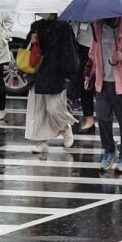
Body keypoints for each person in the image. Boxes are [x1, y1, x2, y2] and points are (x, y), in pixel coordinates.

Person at [86, 17, 122, 174]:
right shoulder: (97, 27)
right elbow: (93, 55)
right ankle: (109, 151)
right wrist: (88, 75)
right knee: (103, 119)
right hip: (102, 82)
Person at [24, 13, 78, 153]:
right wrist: (32, 40)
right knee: (38, 110)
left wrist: (68, 74)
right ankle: (43, 142)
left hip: (55, 74)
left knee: (54, 108)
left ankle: (65, 127)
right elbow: (27, 48)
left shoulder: (64, 26)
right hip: (37, 73)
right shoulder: (36, 26)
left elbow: (70, 50)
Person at [68, 19, 95, 134]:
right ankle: (89, 119)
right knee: (85, 85)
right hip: (83, 49)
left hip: (101, 49)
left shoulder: (106, 14)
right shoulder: (81, 14)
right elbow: (72, 34)